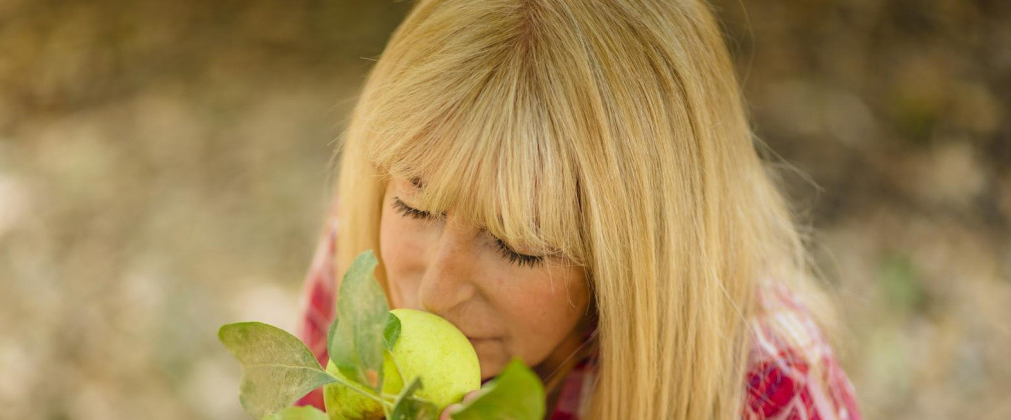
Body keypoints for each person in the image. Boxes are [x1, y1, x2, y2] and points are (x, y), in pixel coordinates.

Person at [294, 0, 862, 419]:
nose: (436, 292)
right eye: (417, 208)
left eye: (519, 246)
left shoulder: (767, 392)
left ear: (639, 248)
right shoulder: (364, 257)